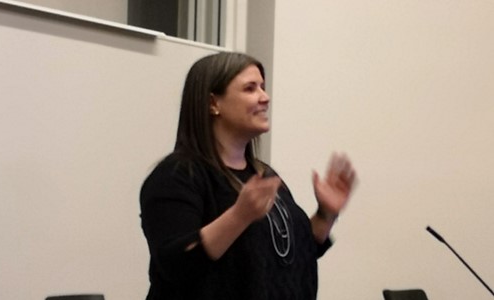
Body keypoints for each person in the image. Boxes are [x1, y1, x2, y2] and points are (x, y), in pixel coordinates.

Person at [139, 52, 357, 300]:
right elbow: (176, 265)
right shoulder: (177, 176)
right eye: (250, 88)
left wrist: (326, 214)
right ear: (213, 103)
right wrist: (239, 216)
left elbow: (290, 252)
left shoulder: (263, 175)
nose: (265, 98)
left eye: (262, 88)